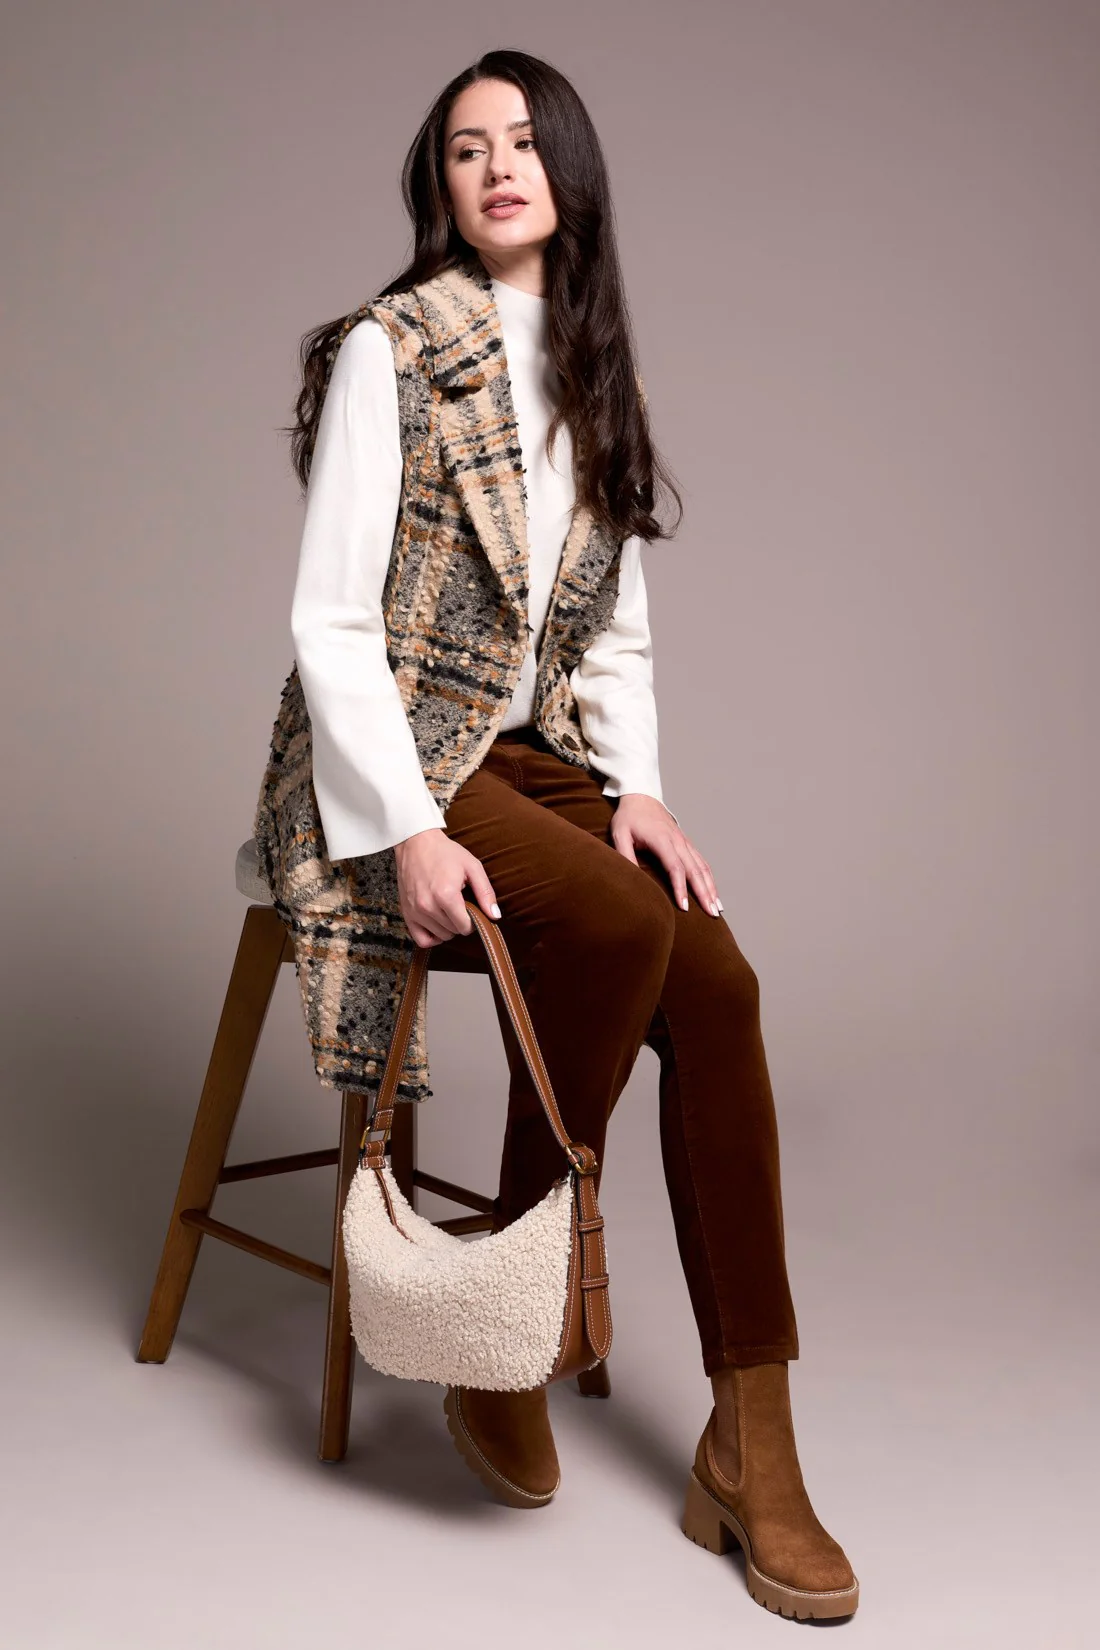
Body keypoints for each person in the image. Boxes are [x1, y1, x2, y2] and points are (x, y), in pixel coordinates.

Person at [268, 48, 858, 1622]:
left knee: (715, 980)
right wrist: (404, 827)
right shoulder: (397, 350)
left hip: (534, 757)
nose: (497, 167)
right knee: (613, 923)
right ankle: (505, 1330)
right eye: (465, 148)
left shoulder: (599, 373)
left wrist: (638, 786)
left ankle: (753, 1437)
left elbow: (613, 628)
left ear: (571, 171)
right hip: (398, 748)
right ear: (440, 185)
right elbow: (332, 623)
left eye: (524, 141)